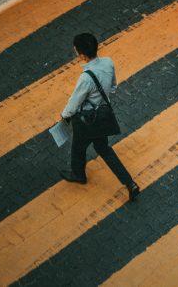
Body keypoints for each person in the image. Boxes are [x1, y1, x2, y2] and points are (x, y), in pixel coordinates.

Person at [60, 33, 140, 201]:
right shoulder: (108, 63)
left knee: (78, 147)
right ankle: (130, 183)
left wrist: (65, 116)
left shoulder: (86, 78)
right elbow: (112, 87)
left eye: (76, 51)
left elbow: (75, 102)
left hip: (87, 121)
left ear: (82, 55)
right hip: (103, 117)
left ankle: (78, 175)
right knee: (103, 149)